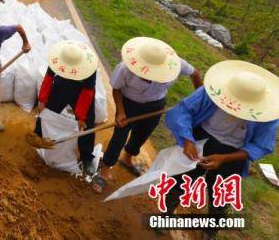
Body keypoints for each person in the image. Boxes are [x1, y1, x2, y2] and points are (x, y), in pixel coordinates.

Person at [163, 61, 278, 236]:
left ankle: (210, 231)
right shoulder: (214, 91)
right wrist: (188, 139)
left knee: (220, 196)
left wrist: (224, 159)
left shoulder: (267, 114)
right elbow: (183, 111)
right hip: (202, 139)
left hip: (233, 153)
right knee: (181, 178)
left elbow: (261, 145)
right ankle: (166, 214)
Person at [92, 37, 203, 193]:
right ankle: (105, 169)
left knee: (143, 134)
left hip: (155, 106)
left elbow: (195, 73)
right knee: (120, 135)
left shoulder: (174, 64)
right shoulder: (125, 68)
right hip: (128, 104)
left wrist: (200, 99)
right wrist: (120, 111)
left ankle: (128, 157)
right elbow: (116, 89)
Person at [35, 40, 100, 175]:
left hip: (81, 90)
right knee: (47, 110)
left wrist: (81, 117)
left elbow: (88, 92)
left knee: (87, 123)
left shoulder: (89, 68)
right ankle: (38, 134)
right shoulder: (58, 59)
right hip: (62, 84)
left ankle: (86, 157)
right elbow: (48, 78)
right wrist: (42, 102)